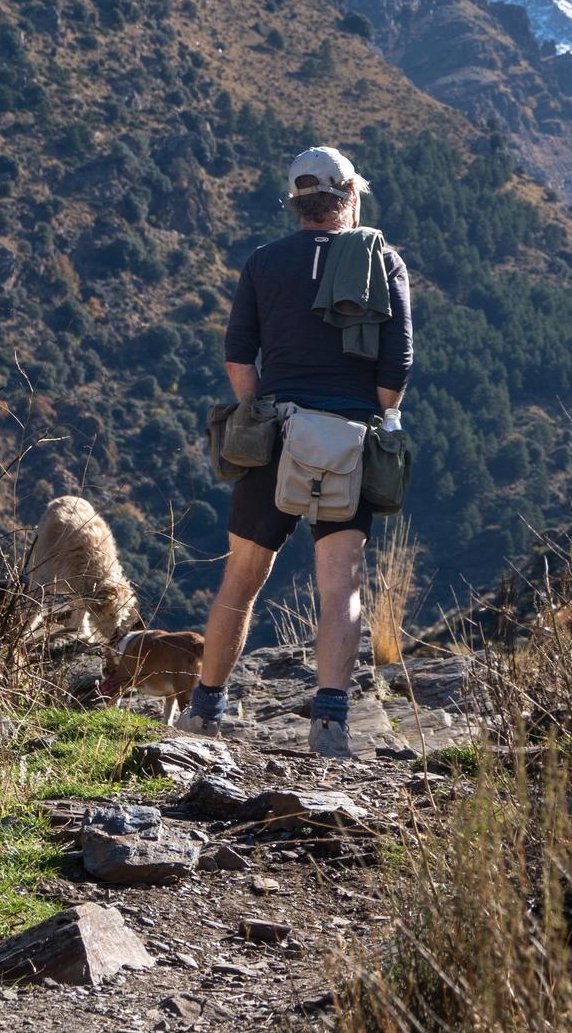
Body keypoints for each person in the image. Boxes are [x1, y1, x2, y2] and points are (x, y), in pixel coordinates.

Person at [176, 146, 412, 756]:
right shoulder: (382, 259)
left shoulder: (263, 262)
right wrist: (378, 414)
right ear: (349, 197)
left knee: (243, 576)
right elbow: (397, 365)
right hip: (349, 439)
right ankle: (329, 723)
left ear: (297, 204)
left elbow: (237, 355)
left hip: (275, 437)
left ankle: (206, 712)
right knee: (342, 584)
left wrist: (258, 408)